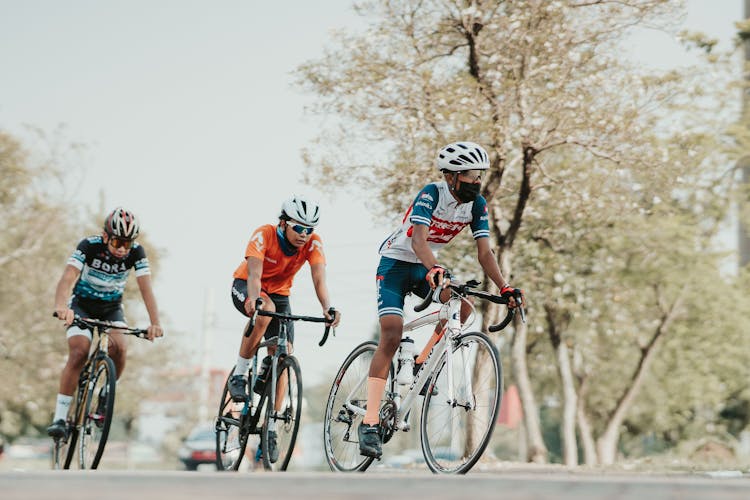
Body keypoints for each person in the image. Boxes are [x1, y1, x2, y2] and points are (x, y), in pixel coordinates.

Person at [358, 141, 524, 459]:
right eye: (470, 175)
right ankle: (369, 421)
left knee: (463, 305)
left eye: (479, 175)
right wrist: (433, 266)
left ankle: (423, 362)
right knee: (391, 334)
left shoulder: (477, 206)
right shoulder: (431, 193)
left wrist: (505, 287)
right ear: (450, 176)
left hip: (427, 267)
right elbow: (418, 239)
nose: (477, 181)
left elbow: (485, 252)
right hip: (396, 265)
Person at [228, 195, 341, 458]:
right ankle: (240, 374)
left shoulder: (313, 243)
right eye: (298, 228)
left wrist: (327, 307)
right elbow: (254, 275)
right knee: (265, 311)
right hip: (247, 285)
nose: (304, 234)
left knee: (284, 355)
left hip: (280, 294)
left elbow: (319, 278)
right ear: (283, 223)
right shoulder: (264, 234)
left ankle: (271, 426)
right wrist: (254, 300)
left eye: (309, 229)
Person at [47, 207, 163, 438]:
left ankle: (105, 392)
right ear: (105, 235)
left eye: (127, 244)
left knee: (119, 348)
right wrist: (62, 307)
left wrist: (155, 322)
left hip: (111, 309)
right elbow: (68, 277)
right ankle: (60, 417)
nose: (122, 249)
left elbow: (146, 289)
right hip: (82, 305)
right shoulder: (89, 246)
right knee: (79, 352)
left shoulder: (136, 253)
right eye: (118, 241)